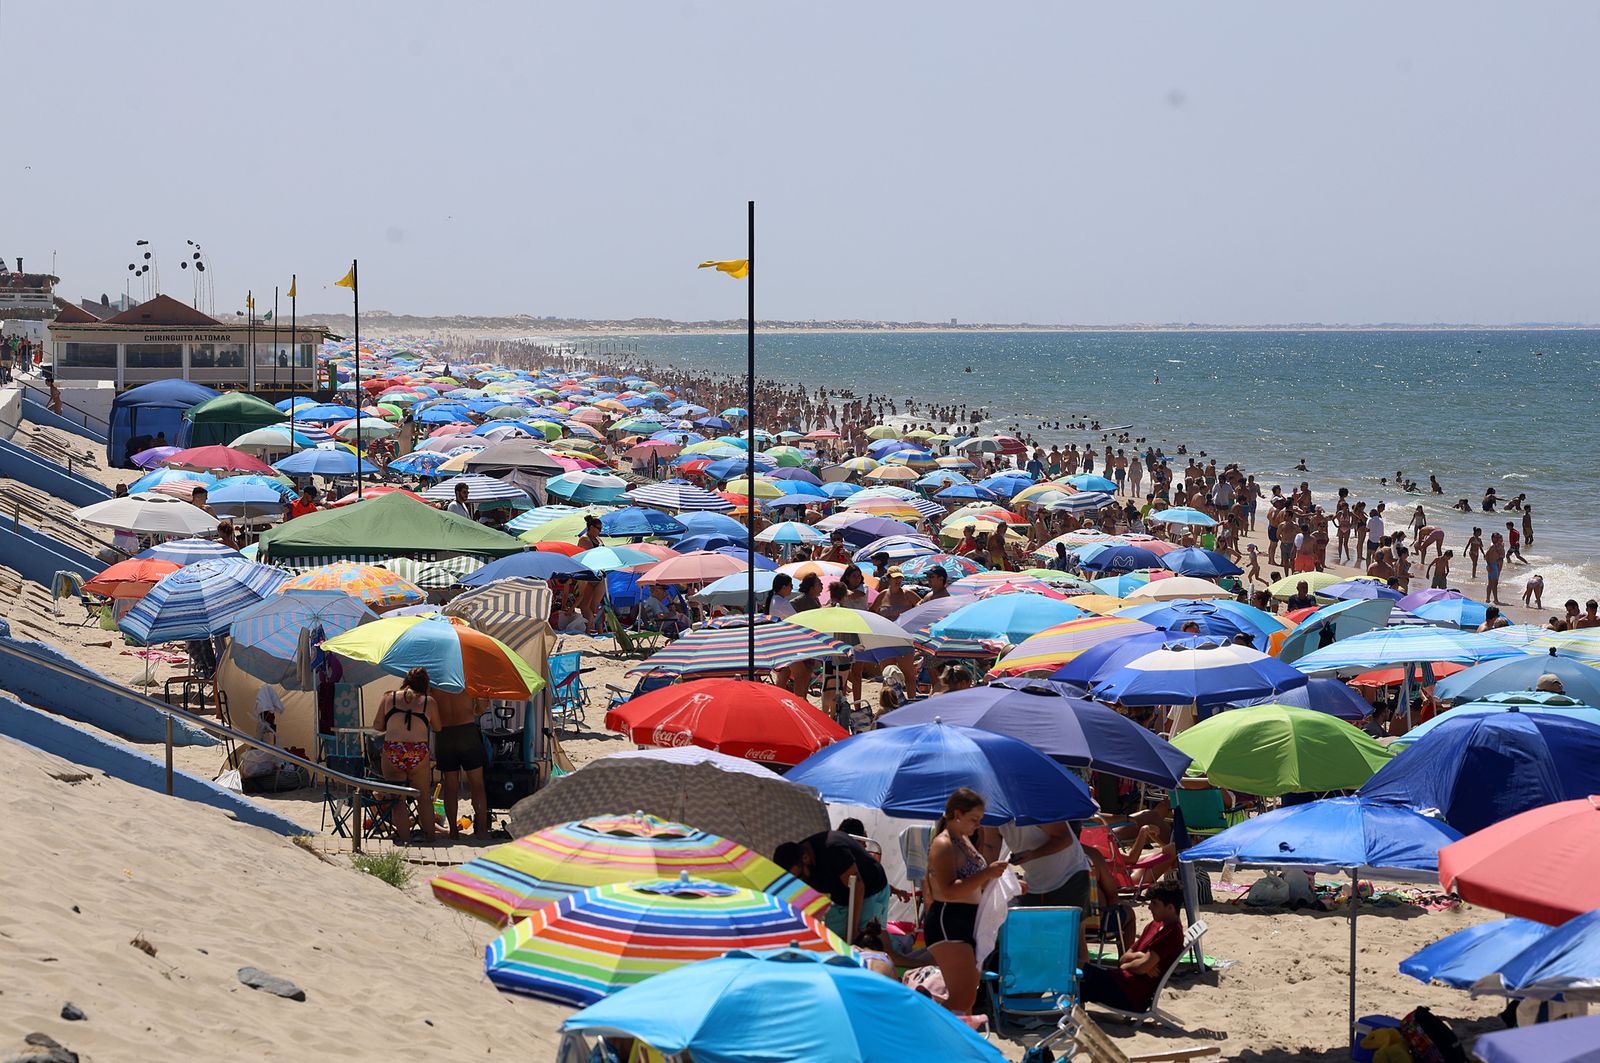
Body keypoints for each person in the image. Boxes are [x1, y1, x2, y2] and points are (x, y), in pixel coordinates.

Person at [923, 788, 1010, 1015]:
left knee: (967, 999)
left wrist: (1004, 883)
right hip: (948, 922)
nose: (978, 825)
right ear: (957, 814)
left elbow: (973, 885)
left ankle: (953, 1045)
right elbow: (949, 891)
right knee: (962, 999)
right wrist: (987, 873)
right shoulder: (943, 844)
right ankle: (920, 1033)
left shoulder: (963, 840)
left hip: (964, 922)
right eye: (974, 819)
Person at [1077, 877, 1186, 1014]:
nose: (1149, 907)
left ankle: (1047, 1013)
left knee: (1074, 968)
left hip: (1129, 994)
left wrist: (1128, 966)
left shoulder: (1171, 934)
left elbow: (1137, 966)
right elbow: (1124, 958)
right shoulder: (1154, 925)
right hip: (1119, 982)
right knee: (1074, 969)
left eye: (1155, 903)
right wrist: (1141, 957)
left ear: (1170, 908)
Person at [774, 829, 891, 945]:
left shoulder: (833, 850)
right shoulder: (796, 860)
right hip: (842, 899)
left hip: (871, 891)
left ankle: (905, 952)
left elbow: (858, 887)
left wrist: (853, 930)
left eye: (799, 877)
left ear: (805, 858)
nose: (798, 882)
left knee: (868, 946)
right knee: (830, 944)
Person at [375, 667, 438, 844]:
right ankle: (431, 838)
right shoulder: (429, 702)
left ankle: (405, 839)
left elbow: (378, 725)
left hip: (394, 750)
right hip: (418, 751)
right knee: (424, 797)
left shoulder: (389, 697)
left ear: (405, 681)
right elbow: (438, 727)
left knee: (398, 799)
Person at [432, 685, 490, 840]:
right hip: (466, 731)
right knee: (477, 784)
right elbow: (482, 707)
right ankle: (482, 831)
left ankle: (453, 831)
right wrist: (473, 708)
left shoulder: (434, 681)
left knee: (451, 786)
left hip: (444, 734)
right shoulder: (467, 679)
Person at [1001, 820, 1091, 910]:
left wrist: (1032, 854)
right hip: (1033, 882)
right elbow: (989, 847)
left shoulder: (1037, 807)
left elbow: (1064, 838)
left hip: (1069, 876)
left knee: (1067, 922)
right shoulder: (991, 813)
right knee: (1031, 922)